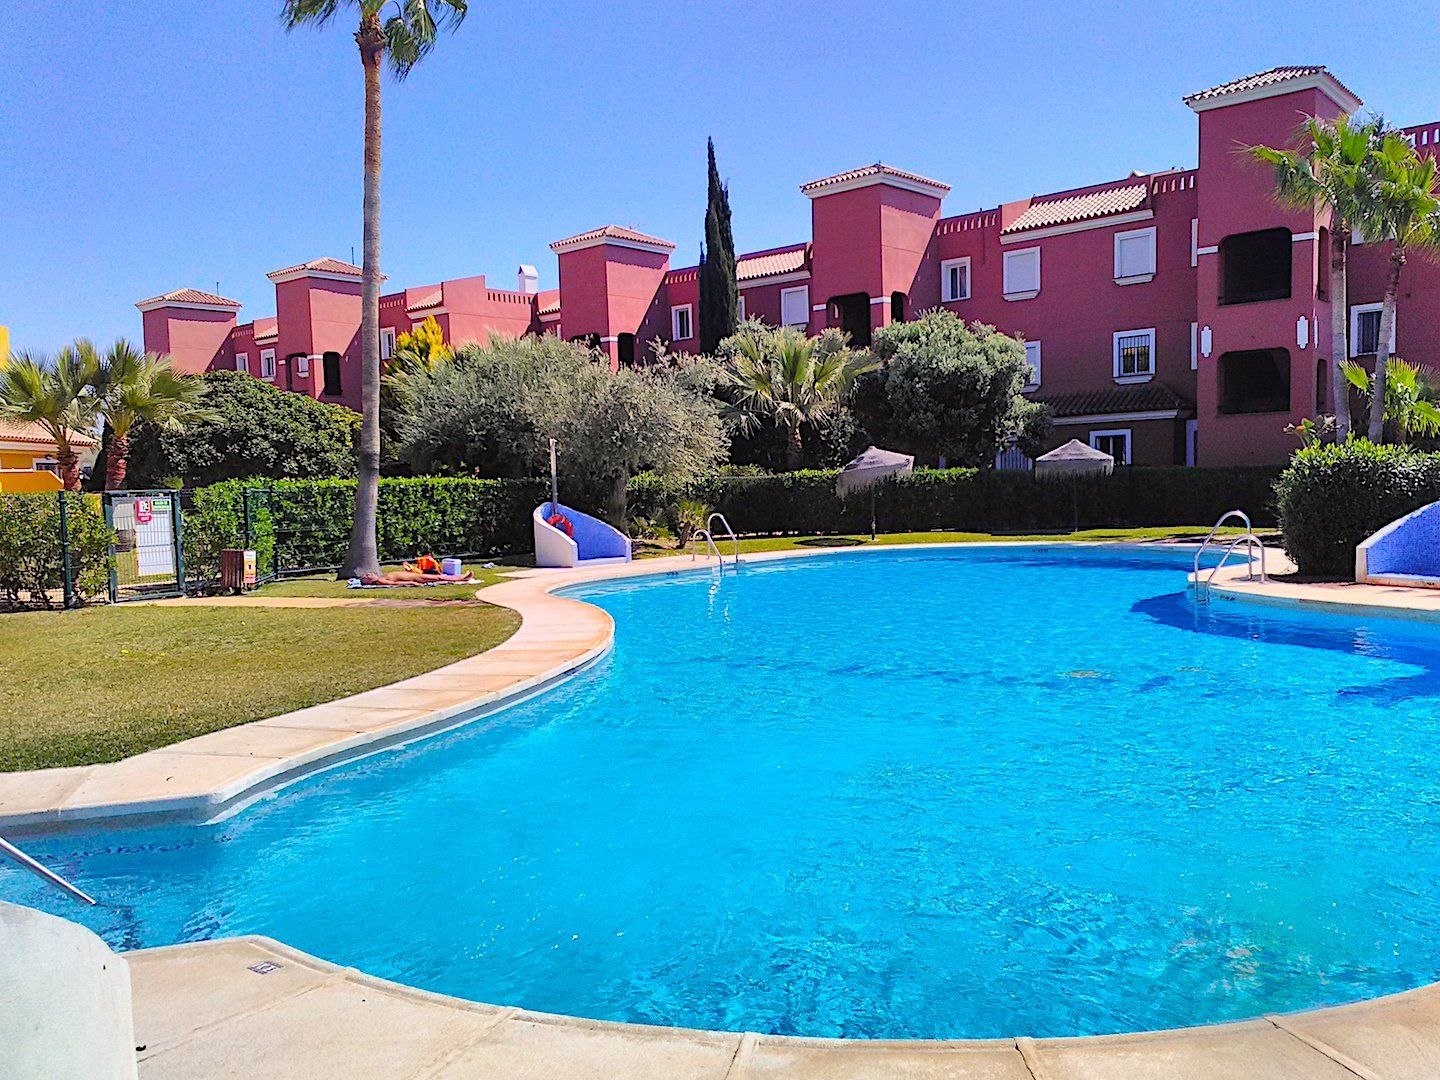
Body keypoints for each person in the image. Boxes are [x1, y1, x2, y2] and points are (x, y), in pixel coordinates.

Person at [355, 568, 475, 587]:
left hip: (414, 575)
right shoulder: (380, 581)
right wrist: (412, 582)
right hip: (415, 578)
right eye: (366, 577)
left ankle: (460, 577)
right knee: (438, 578)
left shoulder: (380, 577)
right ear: (369, 582)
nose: (368, 574)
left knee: (439, 576)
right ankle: (461, 579)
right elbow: (394, 584)